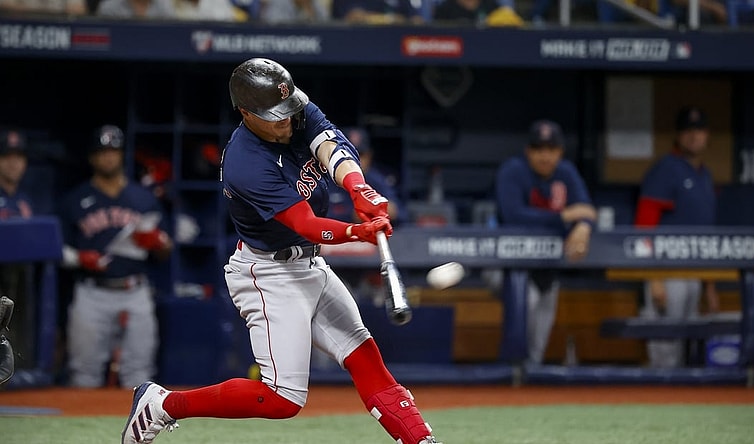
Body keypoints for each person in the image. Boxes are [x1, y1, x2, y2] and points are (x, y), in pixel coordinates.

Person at [120, 58, 442, 444]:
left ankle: (420, 440)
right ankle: (162, 404)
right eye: (275, 116)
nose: (287, 121)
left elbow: (332, 145)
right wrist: (359, 231)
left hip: (309, 264)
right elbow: (307, 224)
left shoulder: (293, 108)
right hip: (268, 273)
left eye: (289, 111)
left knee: (365, 356)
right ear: (245, 113)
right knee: (282, 398)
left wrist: (360, 189)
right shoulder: (245, 163)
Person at [58, 124, 173, 389]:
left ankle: (137, 428)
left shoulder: (143, 198)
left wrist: (158, 241)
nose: (108, 157)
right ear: (92, 158)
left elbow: (166, 250)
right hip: (91, 291)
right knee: (84, 373)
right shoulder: (74, 200)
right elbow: (57, 251)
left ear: (121, 154)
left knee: (139, 373)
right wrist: (79, 258)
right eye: (101, 152)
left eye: (113, 151)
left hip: (135, 289)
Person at [495, 119, 596, 366]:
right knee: (525, 309)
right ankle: (512, 372)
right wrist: (563, 217)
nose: (545, 156)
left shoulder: (566, 172)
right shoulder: (513, 170)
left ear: (560, 152)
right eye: (539, 149)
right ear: (528, 151)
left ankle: (530, 380)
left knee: (540, 330)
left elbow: (586, 210)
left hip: (547, 265)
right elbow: (513, 215)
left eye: (551, 150)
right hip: (508, 264)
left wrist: (584, 226)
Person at [634, 105, 720, 368]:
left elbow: (707, 234)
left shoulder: (705, 175)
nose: (694, 137)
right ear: (678, 135)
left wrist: (710, 285)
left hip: (694, 273)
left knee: (686, 351)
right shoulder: (665, 169)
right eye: (688, 131)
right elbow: (644, 226)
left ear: (707, 135)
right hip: (667, 272)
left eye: (699, 131)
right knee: (665, 352)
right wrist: (653, 278)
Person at [0, 128, 35, 367]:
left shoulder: (25, 201)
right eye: (7, 157)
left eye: (19, 157)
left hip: (19, 281)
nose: (14, 164)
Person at [327, 126, 408, 226]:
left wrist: (387, 211)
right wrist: (351, 216)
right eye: (349, 153)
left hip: (370, 237)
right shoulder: (325, 180)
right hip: (337, 237)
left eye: (360, 154)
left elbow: (401, 213)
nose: (355, 159)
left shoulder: (378, 180)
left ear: (369, 156)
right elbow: (315, 218)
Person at [331, 0, 424, 24]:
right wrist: (391, 19)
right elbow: (355, 17)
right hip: (358, 51)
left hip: (397, 50)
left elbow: (416, 20)